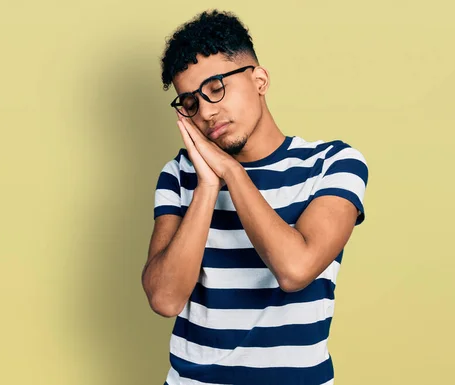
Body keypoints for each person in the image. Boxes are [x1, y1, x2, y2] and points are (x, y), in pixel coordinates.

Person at [142, 9, 369, 385]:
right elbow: (165, 299)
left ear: (259, 79)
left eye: (216, 88)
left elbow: (295, 270)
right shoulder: (179, 176)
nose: (207, 112)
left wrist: (231, 172)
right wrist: (208, 185)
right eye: (191, 103)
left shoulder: (333, 163)